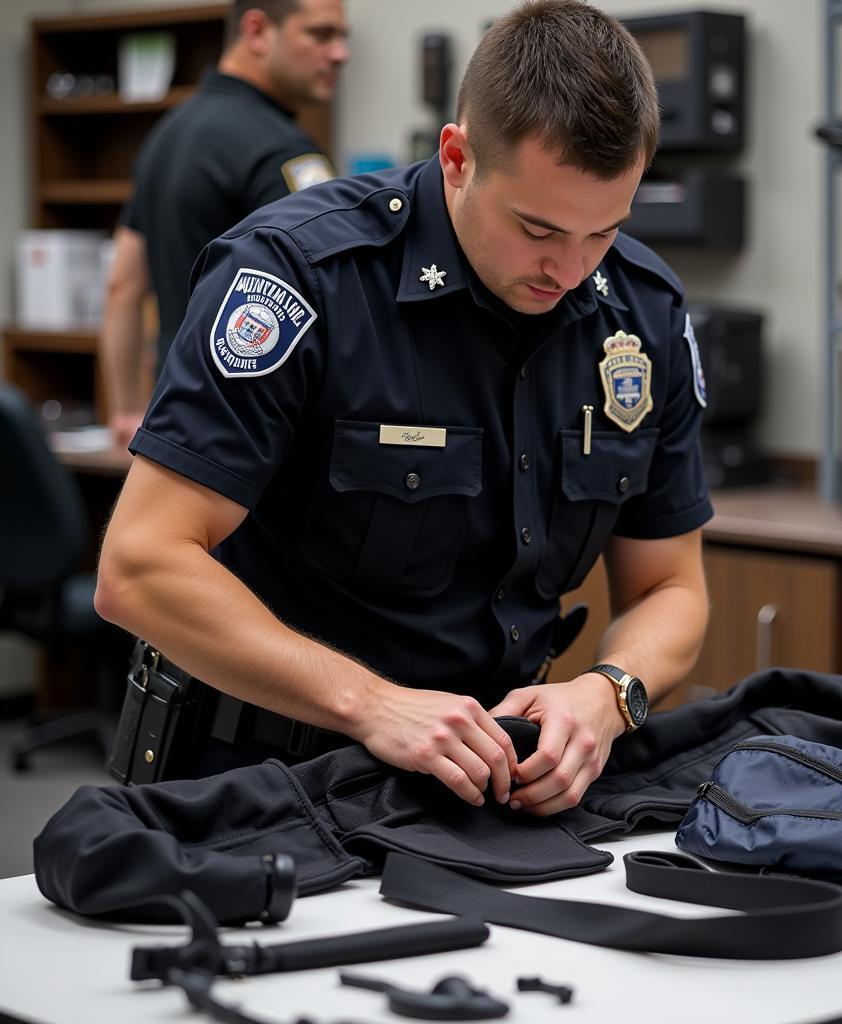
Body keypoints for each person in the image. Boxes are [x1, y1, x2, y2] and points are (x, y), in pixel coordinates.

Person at [95, 0, 712, 817]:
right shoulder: (301, 277)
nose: (568, 269)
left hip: (484, 798)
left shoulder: (641, 310)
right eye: (537, 228)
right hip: (255, 786)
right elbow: (139, 568)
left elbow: (672, 586)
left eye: (602, 233)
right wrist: (373, 704)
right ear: (457, 158)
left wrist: (608, 693)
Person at [100, 0, 349, 449]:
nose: (339, 53)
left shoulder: (166, 134)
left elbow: (123, 283)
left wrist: (125, 411)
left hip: (172, 415)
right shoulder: (281, 150)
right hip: (249, 426)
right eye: (321, 34)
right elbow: (342, 295)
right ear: (257, 31)